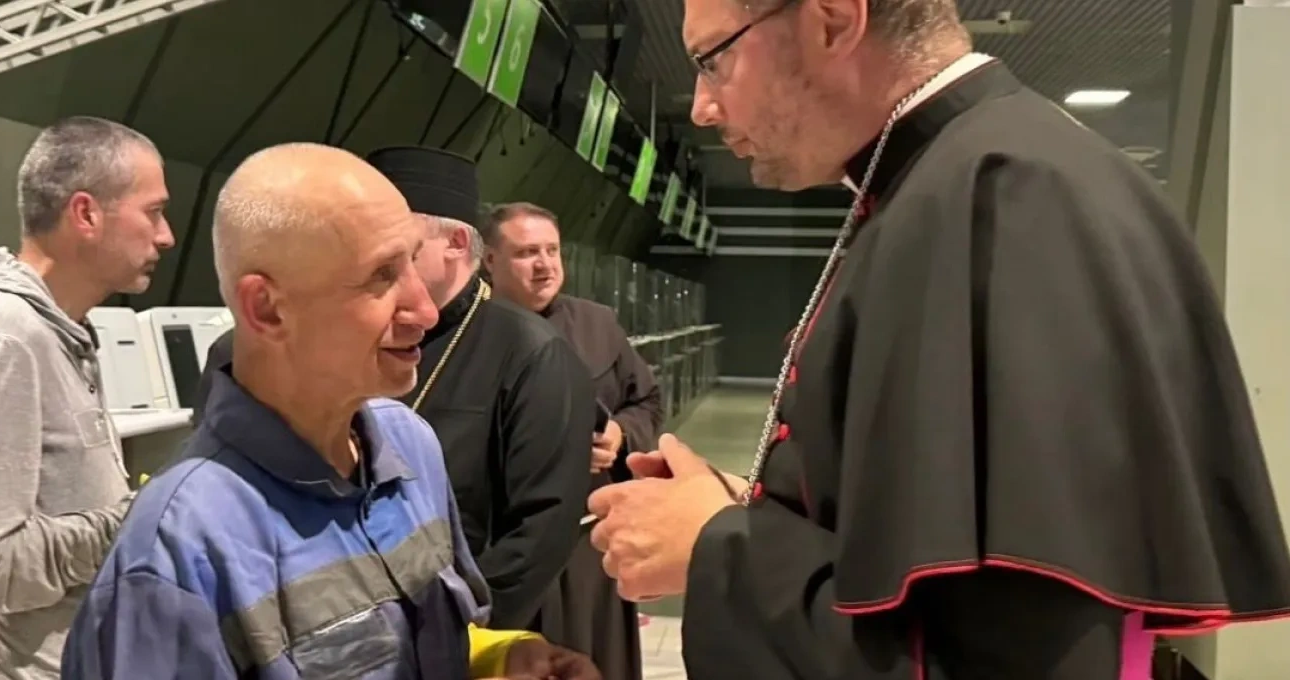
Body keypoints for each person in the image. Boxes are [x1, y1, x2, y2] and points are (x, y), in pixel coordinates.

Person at [586, 1, 1290, 679]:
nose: (704, 106)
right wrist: (746, 507)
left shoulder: (1008, 198)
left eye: (713, 60)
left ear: (831, 20)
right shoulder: (955, 175)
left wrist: (718, 550)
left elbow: (1010, 650)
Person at [61, 142, 598, 680]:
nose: (425, 309)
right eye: (382, 276)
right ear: (267, 309)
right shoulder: (175, 556)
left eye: (413, 261)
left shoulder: (411, 447)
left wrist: (493, 659)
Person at [191, 147, 596, 633]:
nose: (416, 314)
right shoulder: (244, 358)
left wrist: (445, 638)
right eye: (381, 270)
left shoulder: (531, 354)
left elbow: (540, 532)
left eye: (403, 258)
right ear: (266, 309)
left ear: (456, 242)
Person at [0, 116, 173, 680]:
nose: (166, 236)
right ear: (86, 214)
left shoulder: (51, 328)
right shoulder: (2, 334)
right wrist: (123, 528)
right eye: (154, 211)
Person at [485, 201, 662, 680]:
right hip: (512, 542)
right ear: (489, 261)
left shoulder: (598, 323)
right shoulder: (472, 334)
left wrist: (622, 436)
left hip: (590, 543)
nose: (544, 265)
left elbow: (645, 400)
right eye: (526, 252)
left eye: (551, 250)